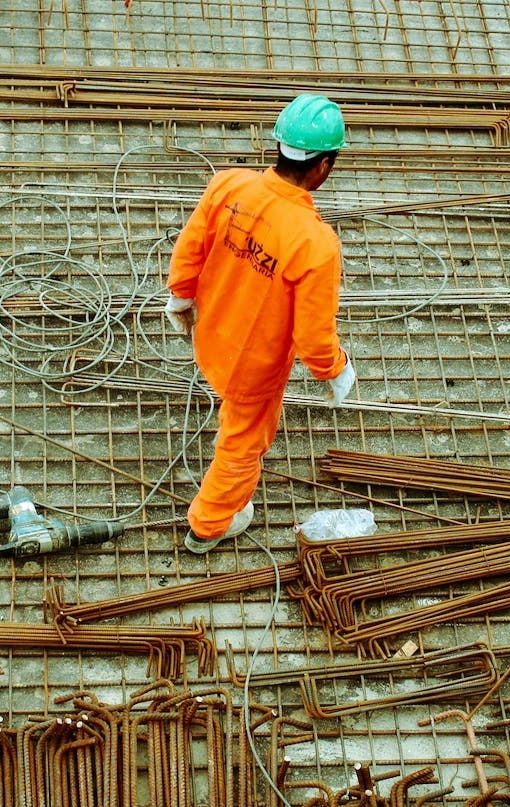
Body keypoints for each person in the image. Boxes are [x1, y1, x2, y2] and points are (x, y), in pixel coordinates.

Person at [165, 93, 356, 555]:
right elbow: (313, 336)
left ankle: (215, 513)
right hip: (253, 366)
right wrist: (335, 370)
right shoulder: (316, 243)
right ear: (323, 167)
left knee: (232, 416)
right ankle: (208, 525)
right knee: (242, 444)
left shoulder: (228, 186)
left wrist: (180, 296)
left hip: (210, 334)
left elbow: (190, 247)